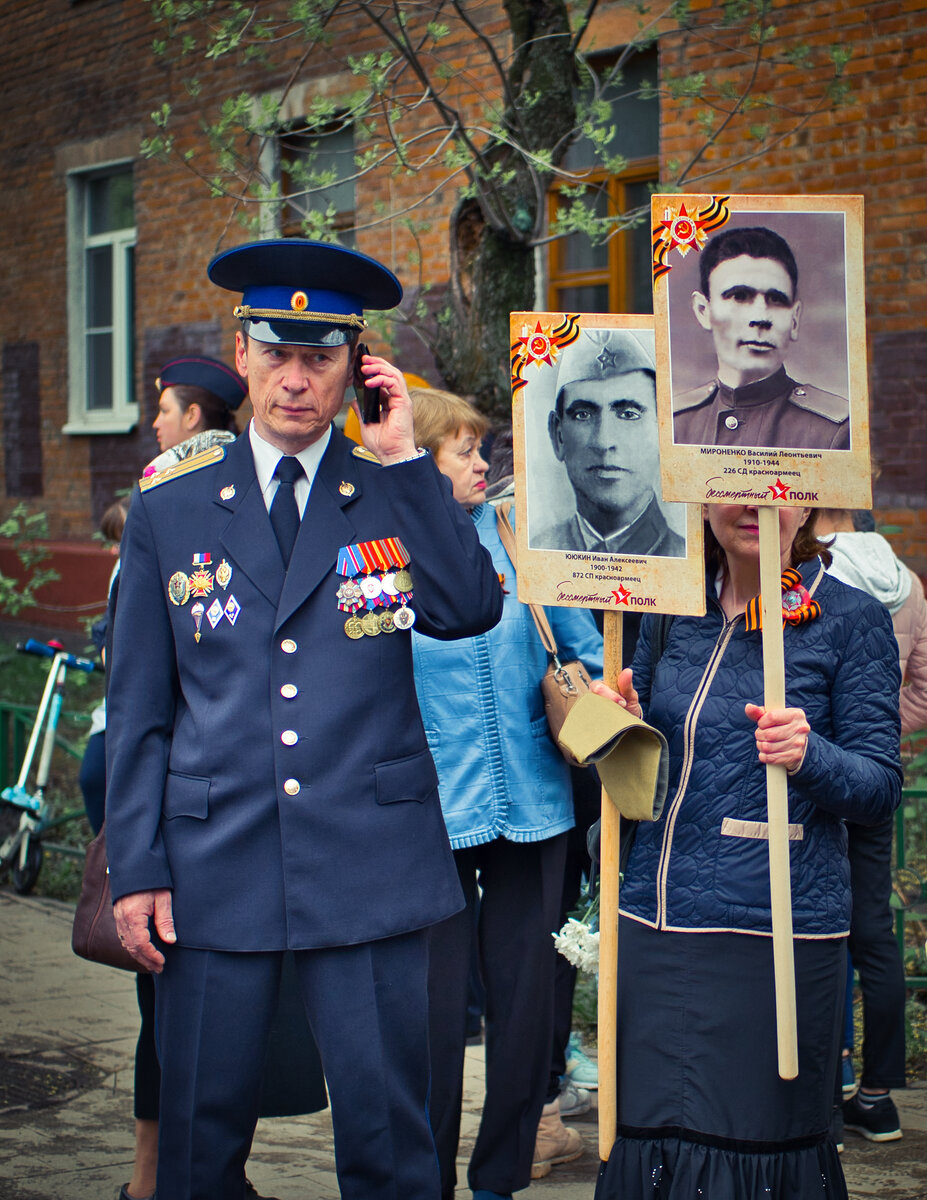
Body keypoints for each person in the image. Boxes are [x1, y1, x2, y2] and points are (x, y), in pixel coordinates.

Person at [104, 239, 503, 1200]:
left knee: (391, 1145)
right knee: (199, 1145)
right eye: (275, 354)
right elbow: (140, 706)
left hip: (368, 862)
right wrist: (138, 869)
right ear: (240, 353)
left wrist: (406, 454)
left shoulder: (390, 487)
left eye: (318, 358)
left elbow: (467, 606)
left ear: (355, 365)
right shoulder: (175, 503)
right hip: (214, 861)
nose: (294, 381)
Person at [592, 502, 902, 1199]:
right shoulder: (668, 607)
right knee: (648, 1136)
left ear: (810, 503)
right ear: (700, 498)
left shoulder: (849, 619)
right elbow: (638, 768)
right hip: (653, 920)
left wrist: (808, 755)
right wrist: (616, 729)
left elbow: (879, 786)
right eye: (729, 484)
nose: (756, 504)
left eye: (779, 488)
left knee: (752, 1142)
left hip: (771, 931)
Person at [407, 386, 603, 1200]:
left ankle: (499, 1180)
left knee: (526, 1008)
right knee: (429, 1012)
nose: (482, 463)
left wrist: (598, 682)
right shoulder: (382, 548)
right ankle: (423, 1180)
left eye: (482, 448)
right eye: (463, 450)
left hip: (534, 802)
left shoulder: (525, 538)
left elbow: (583, 644)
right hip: (426, 813)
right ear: (417, 460)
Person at [816, 507, 927, 1145]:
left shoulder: (806, 571)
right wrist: (880, 733)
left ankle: (822, 1090)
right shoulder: (906, 581)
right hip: (877, 772)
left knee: (816, 923)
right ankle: (879, 1096)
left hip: (813, 768)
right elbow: (922, 685)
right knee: (874, 929)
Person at [672, 225, 850, 450]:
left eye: (776, 299)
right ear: (703, 311)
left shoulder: (834, 431)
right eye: (739, 296)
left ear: (794, 319)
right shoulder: (675, 424)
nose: (761, 317)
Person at [536, 329, 684, 556]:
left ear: (662, 430)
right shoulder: (537, 551)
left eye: (628, 414)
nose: (604, 442)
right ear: (558, 436)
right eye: (583, 415)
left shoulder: (689, 560)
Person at [147, 353, 247, 474]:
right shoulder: (240, 467)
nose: (155, 424)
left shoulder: (163, 474)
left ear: (192, 416)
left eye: (165, 411)